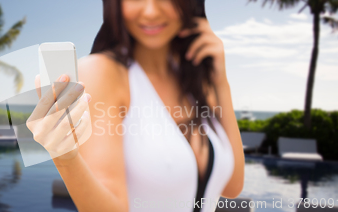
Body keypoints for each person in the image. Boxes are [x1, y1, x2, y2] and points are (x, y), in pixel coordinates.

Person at [26, 0, 245, 211]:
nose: (150, 11)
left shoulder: (194, 79)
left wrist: (221, 83)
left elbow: (231, 186)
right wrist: (66, 158)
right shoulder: (102, 73)